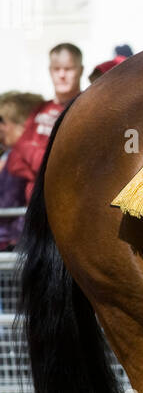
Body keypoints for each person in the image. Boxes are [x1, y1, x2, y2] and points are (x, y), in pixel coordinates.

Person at [5, 44, 83, 202]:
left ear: (80, 70)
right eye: (56, 69)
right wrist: (41, 172)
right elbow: (14, 161)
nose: (62, 75)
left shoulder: (86, 110)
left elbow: (65, 168)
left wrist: (28, 149)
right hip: (35, 207)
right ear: (50, 71)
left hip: (67, 205)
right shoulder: (41, 109)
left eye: (68, 69)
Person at [0, 92, 44, 249]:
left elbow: (8, 199)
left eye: (3, 122)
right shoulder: (17, 153)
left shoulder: (22, 153)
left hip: (14, 240)